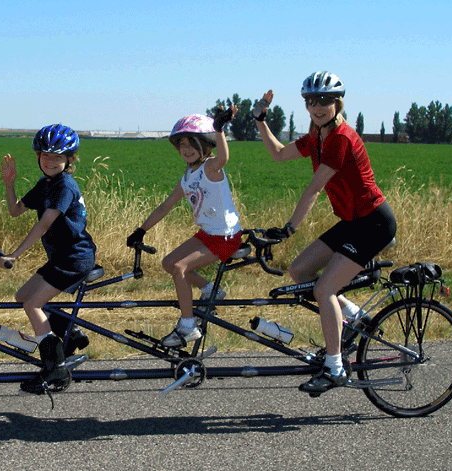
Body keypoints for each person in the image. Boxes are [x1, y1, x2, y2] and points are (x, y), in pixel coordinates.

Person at [253, 71, 396, 394]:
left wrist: (289, 228)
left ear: (337, 103)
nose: (318, 107)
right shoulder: (317, 137)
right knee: (299, 270)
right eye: (311, 101)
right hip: (351, 221)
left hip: (373, 222)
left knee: (323, 290)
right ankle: (355, 315)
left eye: (325, 101)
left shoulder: (341, 139)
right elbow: (278, 154)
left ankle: (335, 367)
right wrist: (260, 120)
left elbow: (314, 189)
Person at [126, 109, 243, 348]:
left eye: (192, 143)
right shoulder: (188, 176)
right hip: (207, 234)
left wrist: (220, 129)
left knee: (180, 268)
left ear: (206, 144)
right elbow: (164, 207)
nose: (186, 149)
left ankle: (188, 326)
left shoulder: (210, 167)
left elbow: (223, 159)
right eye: (181, 145)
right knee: (169, 263)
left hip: (226, 236)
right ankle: (210, 289)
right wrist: (141, 230)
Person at [0, 124, 96, 394]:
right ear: (38, 157)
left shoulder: (64, 186)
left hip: (74, 257)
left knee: (32, 304)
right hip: (61, 257)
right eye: (45, 156)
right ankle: (69, 331)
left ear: (70, 160)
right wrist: (10, 184)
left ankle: (55, 369)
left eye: (57, 157)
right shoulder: (45, 184)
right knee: (23, 296)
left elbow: (43, 224)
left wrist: (15, 255)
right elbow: (16, 210)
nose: (50, 162)